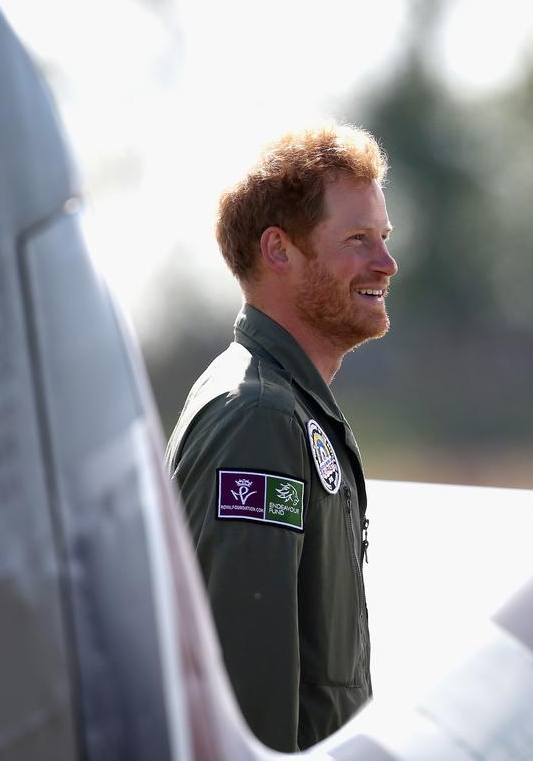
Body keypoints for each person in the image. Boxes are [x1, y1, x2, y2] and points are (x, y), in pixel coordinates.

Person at [164, 121, 396, 752]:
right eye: (356, 239)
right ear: (279, 251)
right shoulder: (259, 417)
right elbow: (245, 705)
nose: (386, 262)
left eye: (383, 237)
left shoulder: (286, 407)